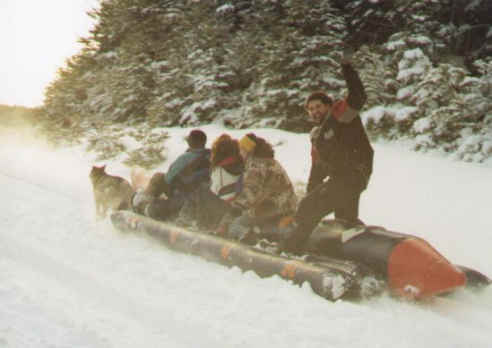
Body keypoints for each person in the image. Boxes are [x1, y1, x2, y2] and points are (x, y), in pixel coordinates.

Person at [282, 60, 374, 253]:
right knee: (344, 219)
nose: (315, 111)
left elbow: (358, 96)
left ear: (328, 105)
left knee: (309, 208)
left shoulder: (339, 116)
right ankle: (352, 253)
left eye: (318, 106)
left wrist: (348, 67)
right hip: (343, 178)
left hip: (353, 174)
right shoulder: (318, 137)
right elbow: (317, 171)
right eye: (311, 109)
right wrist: (311, 191)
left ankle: (291, 250)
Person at [218, 133, 297, 243]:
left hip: (272, 209)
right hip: (286, 207)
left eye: (241, 150)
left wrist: (230, 215)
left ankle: (254, 239)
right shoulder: (269, 161)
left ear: (247, 150)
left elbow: (248, 195)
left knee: (236, 225)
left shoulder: (256, 166)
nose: (240, 153)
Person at [131, 129, 211, 221]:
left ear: (191, 142)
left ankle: (142, 202)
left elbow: (168, 178)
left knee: (159, 177)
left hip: (182, 191)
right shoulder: (210, 155)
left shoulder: (185, 158)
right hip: (199, 191)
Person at [176, 133, 244, 228]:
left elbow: (215, 189)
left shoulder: (220, 168)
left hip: (224, 200)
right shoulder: (240, 162)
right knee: (203, 189)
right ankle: (189, 220)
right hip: (234, 199)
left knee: (201, 191)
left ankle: (190, 222)